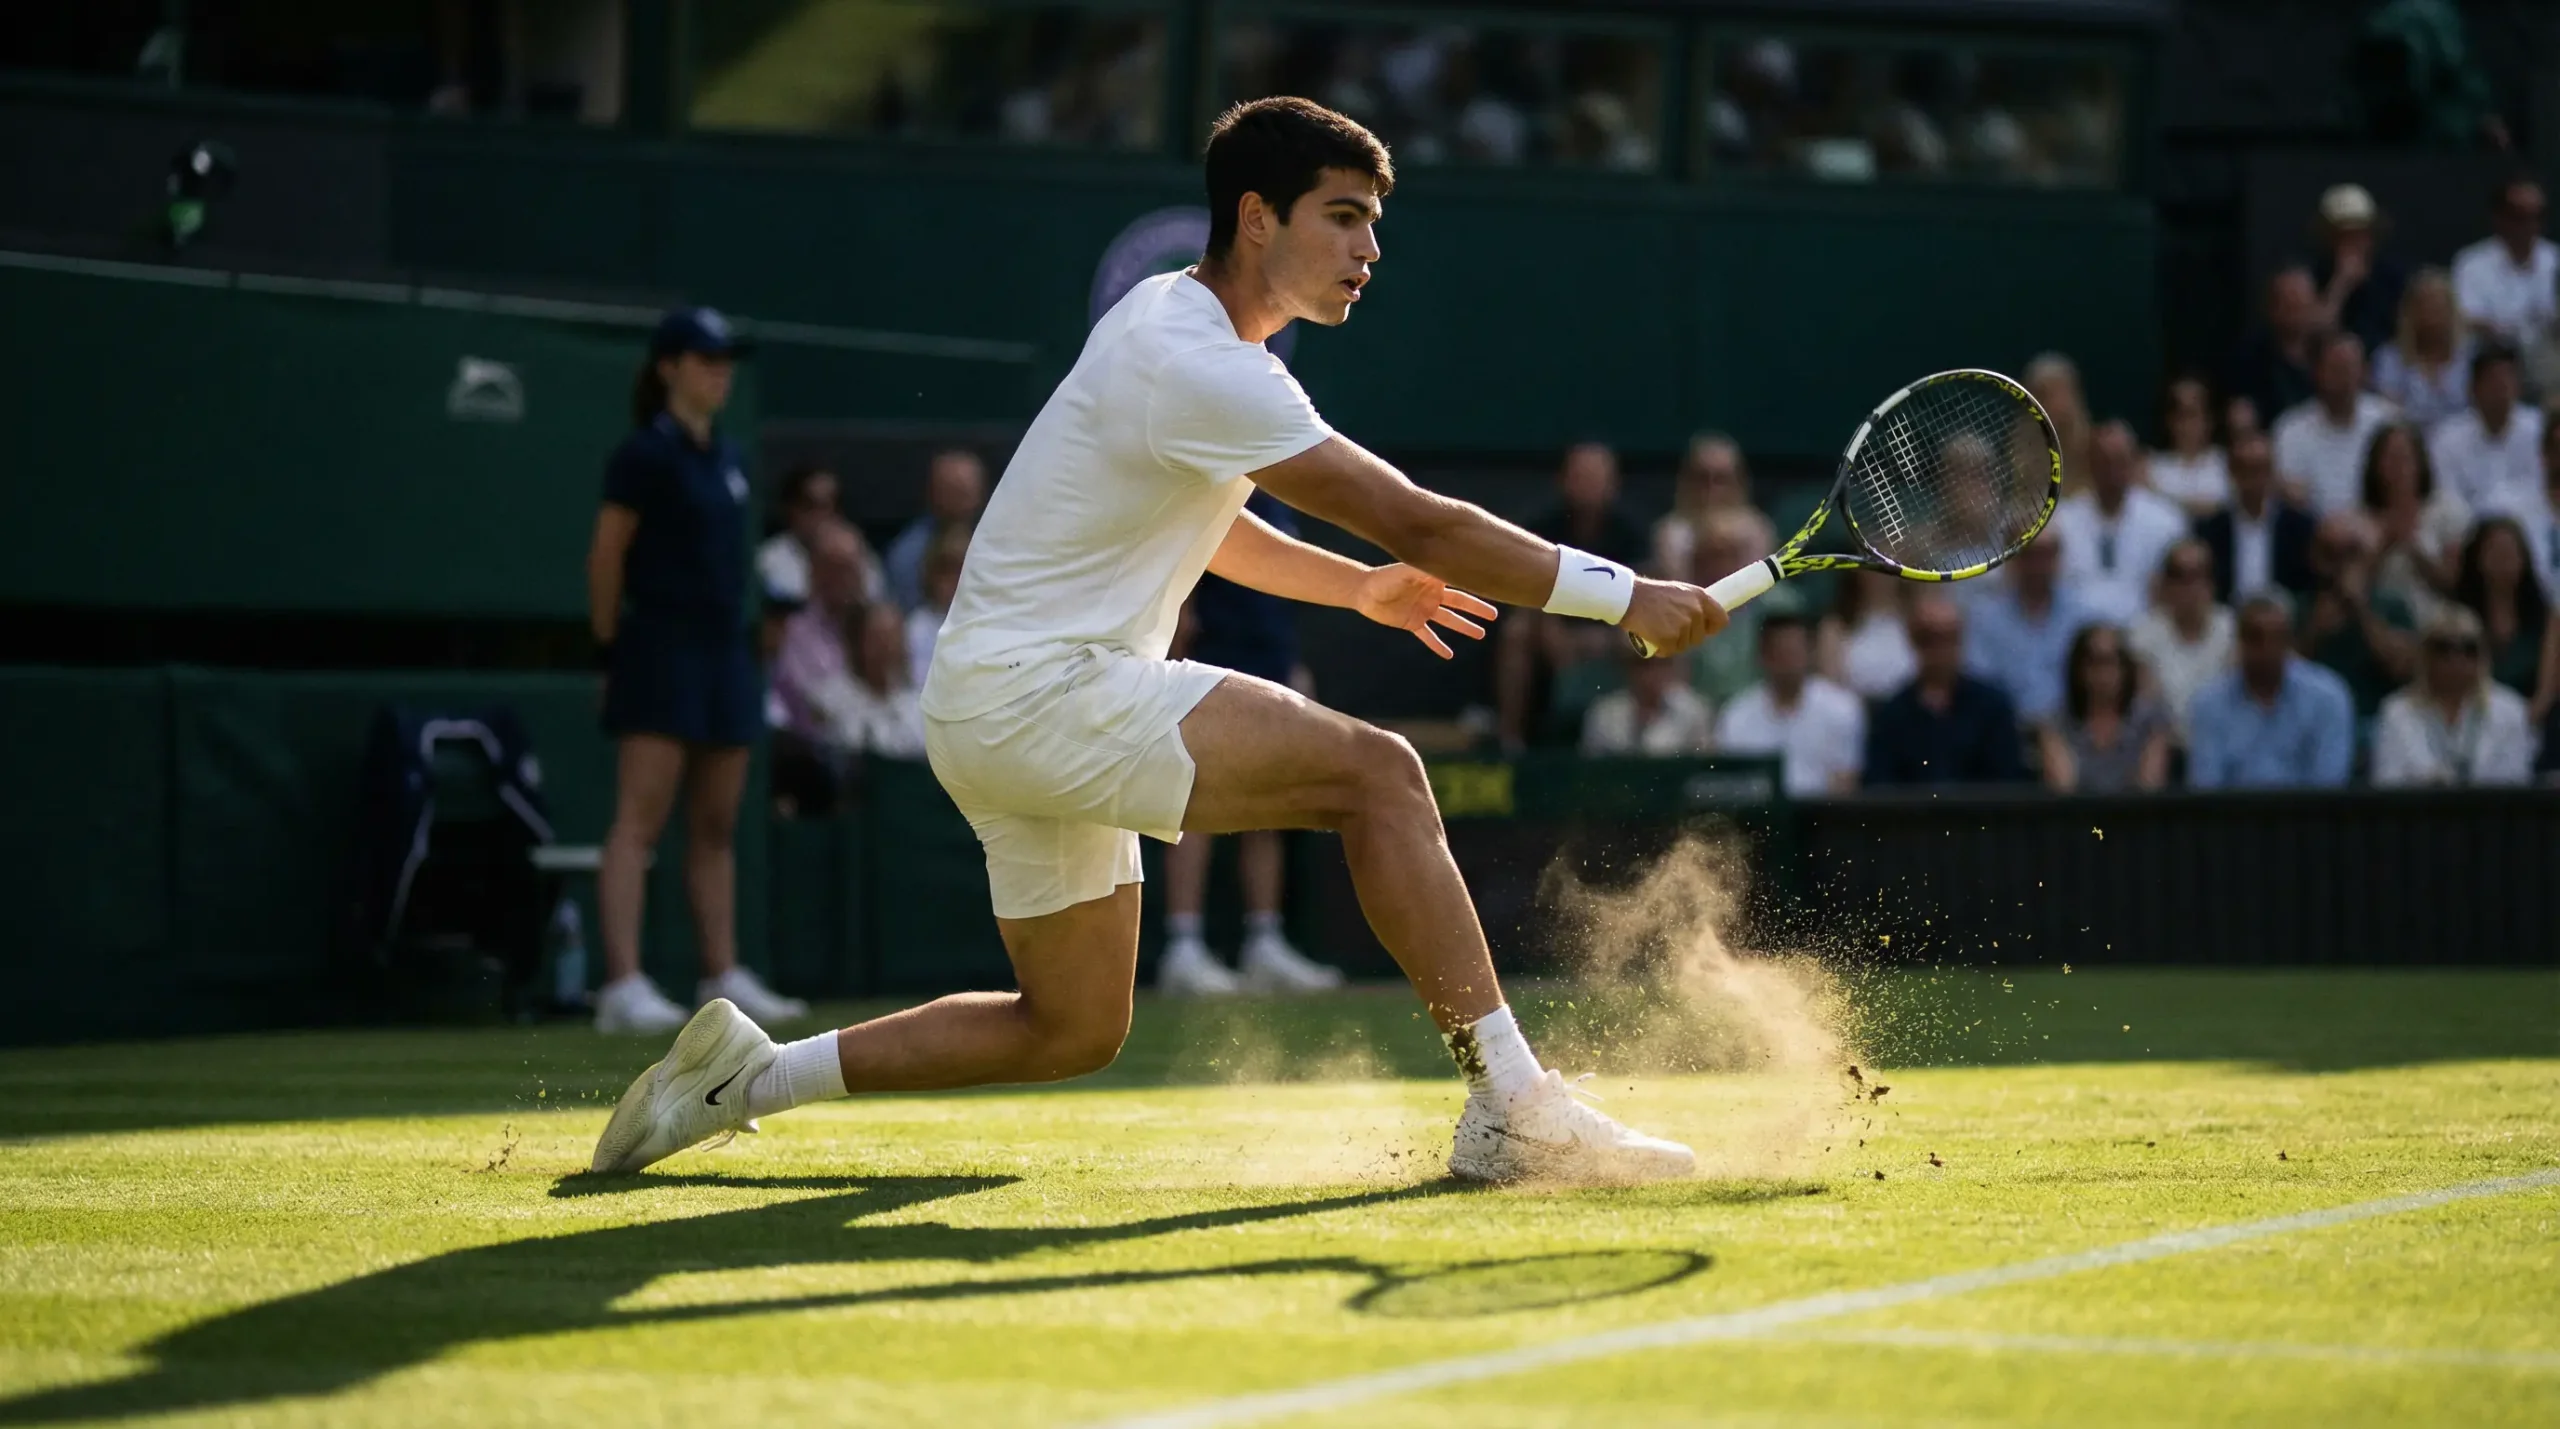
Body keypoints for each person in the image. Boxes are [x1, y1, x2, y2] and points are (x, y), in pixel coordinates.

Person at [591, 97, 1726, 1184]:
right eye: (1343, 216)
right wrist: (1623, 595)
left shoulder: (1169, 324)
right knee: (1379, 776)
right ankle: (1513, 1106)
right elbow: (1420, 521)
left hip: (993, 705)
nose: (1369, 248)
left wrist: (1356, 590)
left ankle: (747, 1077)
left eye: (1374, 222)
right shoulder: (1200, 361)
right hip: (1043, 693)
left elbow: (1211, 522)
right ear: (1256, 217)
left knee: (1069, 1026)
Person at [585, 307, 810, 1035]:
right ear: (668, 368)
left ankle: (722, 973)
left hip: (723, 652)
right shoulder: (642, 455)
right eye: (705, 359)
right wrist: (608, 650)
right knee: (639, 821)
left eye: (725, 361)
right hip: (659, 647)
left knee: (716, 824)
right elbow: (607, 556)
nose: (720, 373)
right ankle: (622, 984)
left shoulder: (729, 457)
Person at [1158, 489, 1344, 998]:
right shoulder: (1205, 490)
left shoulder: (1277, 502)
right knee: (1191, 807)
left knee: (1268, 809)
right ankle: (1183, 948)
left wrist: (1293, 669)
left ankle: (1265, 943)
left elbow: (1278, 600)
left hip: (1273, 668)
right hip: (1209, 668)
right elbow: (1180, 589)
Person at [1492, 441, 1648, 749]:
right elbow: (1526, 589)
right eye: (1580, 477)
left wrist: (1609, 636)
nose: (1588, 486)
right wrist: (1550, 630)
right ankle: (1510, 741)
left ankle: (1642, 744)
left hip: (1614, 632)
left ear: (1613, 483)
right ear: (1563, 480)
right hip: (1555, 628)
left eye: (1596, 477)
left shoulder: (1632, 533)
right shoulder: (1541, 528)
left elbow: (1645, 593)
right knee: (1516, 634)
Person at [2186, 593, 2355, 789]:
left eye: (2277, 638)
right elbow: (2207, 789)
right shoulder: (2209, 704)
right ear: (2240, 641)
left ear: (2290, 641)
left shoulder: (2328, 698)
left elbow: (2330, 786)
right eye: (2255, 638)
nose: (2267, 648)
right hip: (2234, 809)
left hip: (2308, 809)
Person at [1864, 595, 2027, 786]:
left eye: (1948, 638)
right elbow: (1880, 787)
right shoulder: (1892, 715)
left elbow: (2007, 782)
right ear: (1914, 642)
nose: (1940, 650)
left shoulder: (1992, 708)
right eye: (1929, 639)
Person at [2371, 607, 2536, 786]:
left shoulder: (2510, 710)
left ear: (2482, 655)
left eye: (2469, 649)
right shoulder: (2397, 713)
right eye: (2444, 648)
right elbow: (2387, 783)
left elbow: (2517, 782)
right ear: (2426, 656)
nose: (2457, 659)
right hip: (2420, 803)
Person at [2051, 419, 2187, 625]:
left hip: (2145, 634)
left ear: (2133, 461)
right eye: (2104, 461)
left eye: (2119, 461)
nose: (2112, 471)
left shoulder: (2167, 521)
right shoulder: (2062, 521)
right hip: (2077, 634)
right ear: (2089, 463)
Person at [1713, 612, 1863, 795]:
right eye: (1781, 653)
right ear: (1763, 657)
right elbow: (1731, 783)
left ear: (1809, 652)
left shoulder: (1841, 708)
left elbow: (1846, 781)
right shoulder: (1736, 715)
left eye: (1794, 652)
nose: (1789, 662)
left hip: (1821, 808)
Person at [1961, 529, 2090, 726]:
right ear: (2011, 559)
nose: (2037, 565)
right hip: (2007, 728)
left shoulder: (2081, 615)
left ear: (2058, 558)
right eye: (2029, 554)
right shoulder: (1985, 619)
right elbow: (1981, 684)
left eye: (2045, 554)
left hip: (2072, 728)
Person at [2299, 510, 2419, 719]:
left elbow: (2404, 669)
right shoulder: (2299, 605)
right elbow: (2281, 672)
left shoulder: (2393, 606)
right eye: (2329, 552)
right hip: (2314, 719)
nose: (2339, 563)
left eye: (2350, 552)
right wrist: (2315, 631)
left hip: (2375, 719)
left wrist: (2361, 610)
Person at [2270, 329, 2396, 514]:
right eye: (2337, 369)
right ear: (2317, 372)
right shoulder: (2290, 430)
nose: (2345, 378)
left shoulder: (2388, 420)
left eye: (2351, 368)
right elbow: (2292, 496)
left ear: (2364, 371)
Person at [2038, 624, 2171, 793]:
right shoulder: (2055, 723)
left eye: (2111, 662)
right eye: (2094, 663)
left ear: (2126, 668)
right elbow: (2064, 792)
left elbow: (2149, 790)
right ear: (2078, 669)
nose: (2103, 674)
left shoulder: (2151, 721)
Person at [2127, 539, 2235, 747]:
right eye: (2180, 577)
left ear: (2212, 583)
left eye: (2198, 575)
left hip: (2223, 744)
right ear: (2166, 584)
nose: (2190, 586)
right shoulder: (2142, 636)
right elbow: (2151, 710)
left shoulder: (2232, 630)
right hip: (2167, 748)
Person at [2195, 426, 2318, 604]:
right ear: (2232, 473)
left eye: (2261, 469)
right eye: (2246, 469)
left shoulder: (2300, 527)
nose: (2255, 479)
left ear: (2272, 472)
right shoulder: (2211, 530)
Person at [2361, 421, 2468, 621]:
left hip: (2438, 619)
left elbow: (2453, 583)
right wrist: (2385, 543)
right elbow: (2355, 585)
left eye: (2405, 458)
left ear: (2420, 462)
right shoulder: (2360, 516)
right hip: (2380, 619)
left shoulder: (2447, 510)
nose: (2398, 467)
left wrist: (2411, 546)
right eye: (2390, 458)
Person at [2425, 343, 2542, 513]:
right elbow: (2447, 501)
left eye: (2506, 379)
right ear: (2473, 388)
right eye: (2493, 381)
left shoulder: (2539, 431)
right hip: (2468, 526)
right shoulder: (2447, 440)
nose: (2500, 389)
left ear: (2518, 386)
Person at [2450, 176, 2556, 350]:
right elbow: (2468, 320)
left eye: (2537, 216)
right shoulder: (2471, 264)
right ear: (2500, 217)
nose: (2530, 225)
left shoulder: (2555, 259)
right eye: (2520, 216)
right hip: (2493, 355)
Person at [2451, 515, 2549, 696]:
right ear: (2477, 557)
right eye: (2494, 550)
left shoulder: (2545, 619)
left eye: (2510, 551)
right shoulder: (2456, 617)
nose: (2503, 558)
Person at [757, 463, 878, 608]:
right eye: (811, 506)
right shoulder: (770, 559)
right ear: (791, 509)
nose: (822, 515)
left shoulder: (858, 552)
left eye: (830, 505)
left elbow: (874, 598)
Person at [2368, 268, 2472, 433]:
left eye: (2439, 307)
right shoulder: (2389, 358)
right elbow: (2388, 413)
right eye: (2426, 306)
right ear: (2410, 312)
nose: (2432, 315)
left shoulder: (2470, 356)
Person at [883, 449, 988, 610]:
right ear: (932, 493)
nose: (959, 502)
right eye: (951, 491)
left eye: (964, 492)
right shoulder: (907, 554)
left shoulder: (1001, 542)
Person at [2309, 183, 2405, 356]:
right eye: (2344, 236)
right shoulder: (2315, 276)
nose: (2354, 243)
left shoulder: (2392, 277)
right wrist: (2340, 284)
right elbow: (2316, 335)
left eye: (2360, 234)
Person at [1581, 639, 1716, 757]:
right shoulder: (1603, 713)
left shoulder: (1694, 711)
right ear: (1629, 668)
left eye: (1661, 663)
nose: (1652, 672)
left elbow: (1701, 766)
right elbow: (1591, 767)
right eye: (1643, 664)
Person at [1651, 432, 1756, 582]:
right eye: (1702, 478)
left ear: (1737, 481)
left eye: (1720, 479)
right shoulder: (1669, 534)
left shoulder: (1757, 533)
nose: (1711, 488)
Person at [2222, 267, 2321, 425]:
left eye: (2302, 304)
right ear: (2272, 308)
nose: (2297, 314)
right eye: (2289, 306)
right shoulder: (2249, 359)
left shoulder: (2328, 352)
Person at [1815, 569, 1917, 702]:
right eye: (1872, 567)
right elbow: (1830, 688)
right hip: (1854, 708)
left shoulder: (1916, 619)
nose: (1880, 576)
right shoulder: (1835, 627)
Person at [2147, 374, 2230, 517]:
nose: (2186, 424)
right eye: (2180, 415)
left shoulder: (2226, 464)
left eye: (2192, 414)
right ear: (2169, 420)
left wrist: (2159, 493)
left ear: (2209, 419)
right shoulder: (2153, 467)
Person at [905, 525, 970, 689]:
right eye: (947, 570)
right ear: (930, 574)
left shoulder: (994, 620)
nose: (956, 579)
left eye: (963, 569)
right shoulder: (916, 630)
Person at [2023, 351, 2093, 494]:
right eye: (2044, 395)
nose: (2055, 405)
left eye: (2061, 393)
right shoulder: (2016, 465)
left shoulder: (2106, 459)